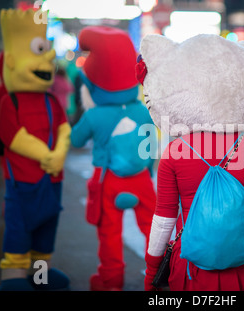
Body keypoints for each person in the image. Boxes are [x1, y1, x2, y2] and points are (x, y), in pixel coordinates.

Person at [140, 33, 244, 291]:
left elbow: (164, 219)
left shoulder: (174, 152)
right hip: (243, 261)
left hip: (190, 263)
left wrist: (152, 268)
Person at [70, 26, 157, 291]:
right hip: (141, 180)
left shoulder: (95, 116)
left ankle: (111, 281)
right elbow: (150, 146)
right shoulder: (143, 110)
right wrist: (148, 171)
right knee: (153, 232)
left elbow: (75, 140)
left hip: (108, 180)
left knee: (109, 234)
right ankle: (157, 278)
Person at [0, 9, 71, 291]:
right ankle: (13, 279)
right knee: (18, 231)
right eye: (40, 50)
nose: (48, 58)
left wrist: (60, 153)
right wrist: (47, 155)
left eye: (46, 50)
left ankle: (39, 277)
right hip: (22, 184)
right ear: (12, 60)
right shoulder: (8, 102)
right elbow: (13, 136)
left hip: (53, 182)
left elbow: (64, 129)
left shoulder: (52, 101)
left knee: (45, 233)